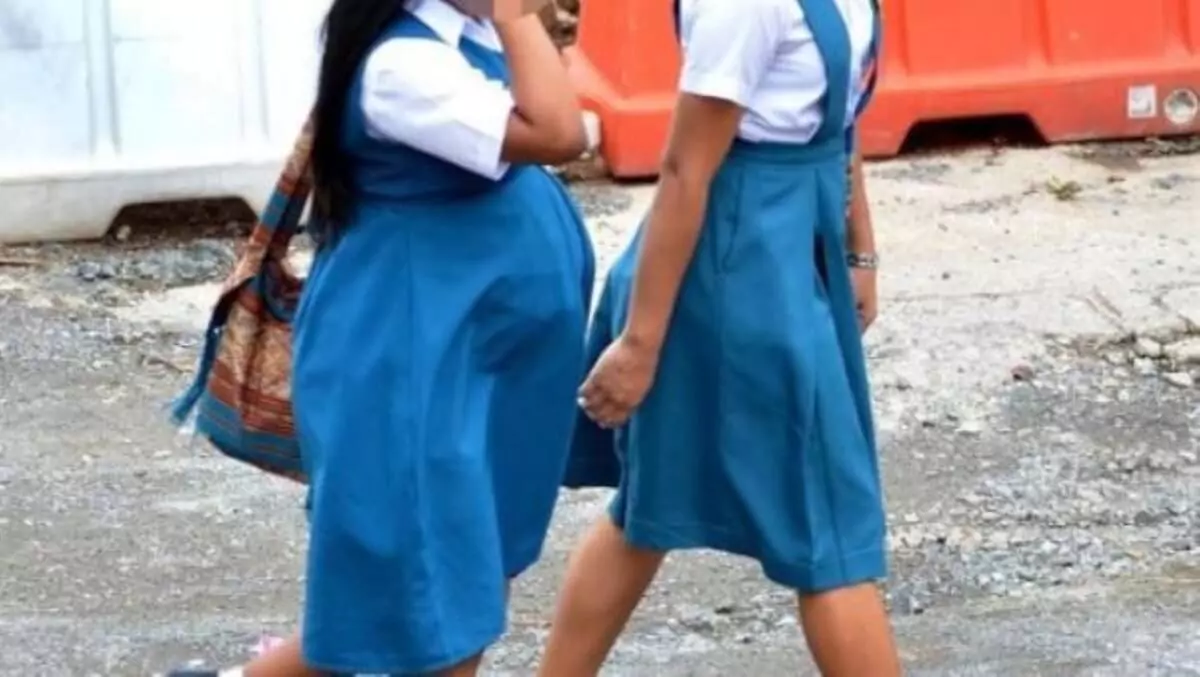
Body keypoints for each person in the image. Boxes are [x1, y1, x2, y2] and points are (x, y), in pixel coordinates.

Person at [168, 0, 593, 675]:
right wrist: (517, 17)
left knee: (456, 581)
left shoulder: (469, 35)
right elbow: (559, 132)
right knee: (433, 593)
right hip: (413, 353)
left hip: (476, 355)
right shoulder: (403, 64)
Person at [538, 0, 902, 675]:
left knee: (649, 507)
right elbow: (686, 170)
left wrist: (860, 248)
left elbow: (840, 121)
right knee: (831, 532)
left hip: (790, 246)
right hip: (735, 267)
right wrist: (639, 344)